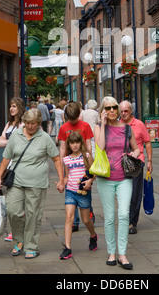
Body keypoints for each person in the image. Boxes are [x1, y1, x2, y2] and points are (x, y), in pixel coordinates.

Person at [0, 108, 64, 259]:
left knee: (33, 214)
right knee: (13, 211)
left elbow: (56, 159)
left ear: (38, 123)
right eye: (27, 123)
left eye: (33, 123)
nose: (30, 126)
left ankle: (31, 246)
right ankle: (19, 240)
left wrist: (61, 179)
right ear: (24, 122)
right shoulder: (16, 135)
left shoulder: (45, 138)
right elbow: (6, 158)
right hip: (16, 181)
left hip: (37, 183)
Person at [94, 96, 140, 270]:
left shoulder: (127, 129)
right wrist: (104, 125)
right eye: (108, 108)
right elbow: (100, 147)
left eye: (114, 107)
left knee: (123, 215)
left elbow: (136, 148)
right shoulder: (98, 128)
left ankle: (122, 254)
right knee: (110, 216)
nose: (112, 110)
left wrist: (133, 155)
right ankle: (111, 252)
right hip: (105, 177)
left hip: (124, 177)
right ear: (103, 111)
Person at [60, 131, 97, 260]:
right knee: (69, 218)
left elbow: (94, 172)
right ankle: (67, 248)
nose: (75, 145)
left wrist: (90, 181)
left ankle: (93, 235)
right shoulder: (66, 159)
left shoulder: (86, 156)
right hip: (70, 192)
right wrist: (61, 184)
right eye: (72, 143)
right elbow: (66, 177)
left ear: (81, 143)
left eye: (77, 142)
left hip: (84, 193)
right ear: (69, 144)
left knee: (86, 220)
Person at [58, 102, 94, 232]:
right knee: (72, 189)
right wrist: (61, 164)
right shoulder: (63, 128)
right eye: (70, 119)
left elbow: (89, 144)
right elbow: (62, 147)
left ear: (79, 114)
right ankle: (75, 221)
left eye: (75, 119)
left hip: (83, 161)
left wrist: (89, 162)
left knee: (84, 188)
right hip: (70, 163)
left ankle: (89, 209)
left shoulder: (85, 126)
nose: (73, 122)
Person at [119, 100, 153, 235]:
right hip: (120, 163)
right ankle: (125, 219)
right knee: (122, 194)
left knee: (135, 194)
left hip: (137, 164)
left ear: (131, 111)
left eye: (126, 111)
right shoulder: (117, 124)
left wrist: (150, 161)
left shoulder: (139, 124)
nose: (123, 114)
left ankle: (132, 222)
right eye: (121, 111)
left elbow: (148, 143)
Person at [0, 97, 25, 241]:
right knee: (12, 202)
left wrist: (7, 142)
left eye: (14, 106)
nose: (11, 109)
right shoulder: (9, 124)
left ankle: (19, 231)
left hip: (20, 165)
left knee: (20, 203)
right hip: (9, 167)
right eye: (10, 106)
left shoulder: (23, 124)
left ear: (20, 107)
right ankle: (15, 231)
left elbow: (22, 143)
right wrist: (10, 141)